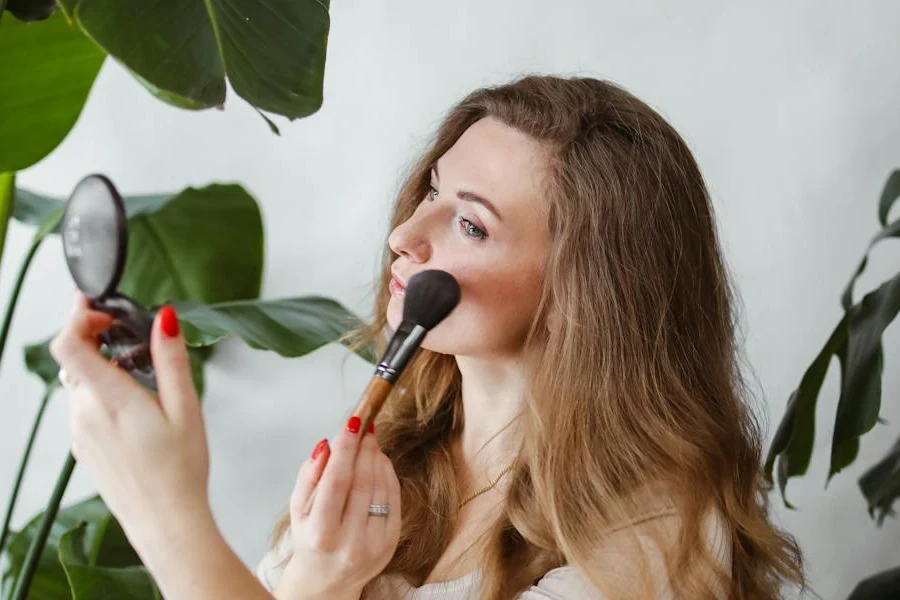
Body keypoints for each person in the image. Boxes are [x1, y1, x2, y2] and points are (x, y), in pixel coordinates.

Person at [51, 74, 808, 600]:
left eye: (470, 223)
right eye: (433, 191)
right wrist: (316, 580)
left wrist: (166, 515)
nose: (405, 236)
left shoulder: (652, 543)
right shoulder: (390, 467)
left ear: (583, 295)